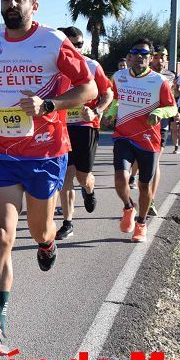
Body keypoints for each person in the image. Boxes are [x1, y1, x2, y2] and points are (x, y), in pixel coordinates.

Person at [0, 0, 96, 355]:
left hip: (44, 152)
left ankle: (47, 243)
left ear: (33, 6)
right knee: (1, 236)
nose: (10, 4)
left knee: (39, 229)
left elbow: (87, 89)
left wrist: (50, 105)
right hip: (1, 151)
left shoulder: (54, 42)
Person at [111, 38, 177, 244]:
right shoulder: (119, 76)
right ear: (130, 56)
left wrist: (159, 111)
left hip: (148, 140)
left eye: (145, 54)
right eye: (136, 53)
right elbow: (114, 100)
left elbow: (172, 107)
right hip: (123, 135)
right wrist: (110, 112)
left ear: (150, 58)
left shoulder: (159, 81)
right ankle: (129, 207)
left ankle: (141, 223)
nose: (140, 57)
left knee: (144, 186)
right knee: (121, 179)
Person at [54, 27, 113, 240]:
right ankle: (68, 222)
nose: (76, 48)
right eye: (71, 44)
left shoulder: (91, 65)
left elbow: (108, 94)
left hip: (86, 126)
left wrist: (96, 110)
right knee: (66, 176)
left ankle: (89, 190)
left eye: (79, 44)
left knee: (82, 177)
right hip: (61, 126)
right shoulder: (52, 65)